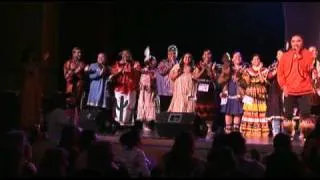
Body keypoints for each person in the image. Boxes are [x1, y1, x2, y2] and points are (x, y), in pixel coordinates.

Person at [277, 34, 315, 140]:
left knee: (306, 114)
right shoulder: (285, 56)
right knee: (288, 114)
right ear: (291, 43)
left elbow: (307, 69)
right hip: (290, 90)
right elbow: (280, 73)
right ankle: (288, 134)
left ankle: (305, 134)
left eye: (298, 41)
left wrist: (299, 56)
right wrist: (283, 86)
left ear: (302, 43)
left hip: (305, 89)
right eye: (293, 41)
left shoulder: (308, 54)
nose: (295, 43)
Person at [218, 51, 247, 134]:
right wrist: (226, 74)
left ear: (241, 59)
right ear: (233, 59)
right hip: (228, 96)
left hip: (238, 97)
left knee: (236, 127)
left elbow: (246, 84)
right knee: (228, 125)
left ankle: (235, 140)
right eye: (236, 56)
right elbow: (220, 81)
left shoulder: (244, 70)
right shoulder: (227, 68)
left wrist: (238, 79)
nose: (238, 58)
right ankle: (227, 139)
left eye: (239, 56)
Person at [240, 54, 269, 137]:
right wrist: (245, 74)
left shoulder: (264, 70)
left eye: (258, 59)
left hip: (260, 94)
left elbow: (263, 81)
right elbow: (248, 82)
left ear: (260, 61)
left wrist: (259, 71)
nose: (256, 61)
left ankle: (260, 132)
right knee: (249, 112)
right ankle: (248, 131)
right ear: (252, 61)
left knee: (260, 112)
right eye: (254, 59)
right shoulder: (248, 70)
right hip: (250, 93)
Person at [110, 50, 141, 126]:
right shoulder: (118, 64)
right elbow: (113, 75)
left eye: (128, 54)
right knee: (121, 106)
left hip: (131, 88)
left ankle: (128, 122)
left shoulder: (135, 64)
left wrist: (132, 64)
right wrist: (120, 71)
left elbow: (138, 72)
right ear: (122, 56)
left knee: (131, 105)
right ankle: (120, 122)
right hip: (121, 88)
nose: (126, 56)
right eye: (124, 54)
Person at [85, 52, 112, 132]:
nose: (100, 58)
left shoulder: (108, 67)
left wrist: (110, 78)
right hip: (95, 89)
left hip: (103, 90)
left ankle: (101, 126)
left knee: (102, 109)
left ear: (105, 59)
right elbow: (90, 76)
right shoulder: (93, 65)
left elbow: (111, 75)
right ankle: (92, 126)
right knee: (94, 109)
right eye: (99, 57)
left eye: (102, 57)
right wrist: (98, 74)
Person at [193, 49, 217, 138]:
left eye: (209, 54)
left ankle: (209, 128)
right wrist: (203, 68)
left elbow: (214, 79)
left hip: (209, 91)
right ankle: (200, 127)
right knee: (200, 109)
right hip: (200, 91)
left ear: (211, 56)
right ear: (203, 56)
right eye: (205, 54)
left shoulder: (214, 65)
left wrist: (209, 69)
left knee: (210, 110)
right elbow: (195, 77)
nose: (207, 56)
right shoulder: (199, 65)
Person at [20, 49, 42, 131]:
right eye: (30, 55)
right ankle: (27, 123)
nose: (32, 56)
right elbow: (30, 71)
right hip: (28, 87)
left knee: (36, 105)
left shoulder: (36, 65)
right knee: (28, 105)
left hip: (36, 87)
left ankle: (35, 124)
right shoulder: (25, 65)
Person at [137, 47, 158, 131]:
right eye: (152, 61)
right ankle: (144, 123)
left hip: (151, 92)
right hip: (144, 92)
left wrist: (152, 85)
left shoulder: (155, 72)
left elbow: (155, 81)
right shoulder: (143, 71)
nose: (154, 63)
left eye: (154, 61)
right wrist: (142, 86)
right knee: (143, 104)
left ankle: (148, 123)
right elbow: (141, 80)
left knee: (150, 105)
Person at [63, 47, 86, 125]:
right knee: (70, 104)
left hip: (80, 87)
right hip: (71, 87)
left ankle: (78, 123)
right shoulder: (68, 63)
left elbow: (85, 75)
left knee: (79, 105)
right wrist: (75, 71)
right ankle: (69, 122)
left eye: (80, 52)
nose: (80, 54)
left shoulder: (82, 63)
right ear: (73, 53)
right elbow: (66, 76)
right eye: (78, 52)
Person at [266, 50, 284, 137]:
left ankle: (285, 134)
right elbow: (268, 77)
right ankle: (276, 134)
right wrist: (275, 71)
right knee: (276, 112)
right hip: (275, 91)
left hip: (285, 90)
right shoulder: (273, 66)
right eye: (279, 54)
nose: (281, 56)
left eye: (282, 54)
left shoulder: (289, 65)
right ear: (276, 56)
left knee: (285, 112)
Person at [156, 45, 179, 112]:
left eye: (174, 53)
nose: (172, 55)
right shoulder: (163, 62)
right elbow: (161, 72)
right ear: (168, 54)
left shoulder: (180, 63)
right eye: (170, 53)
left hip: (176, 91)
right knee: (165, 110)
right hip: (165, 91)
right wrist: (171, 64)